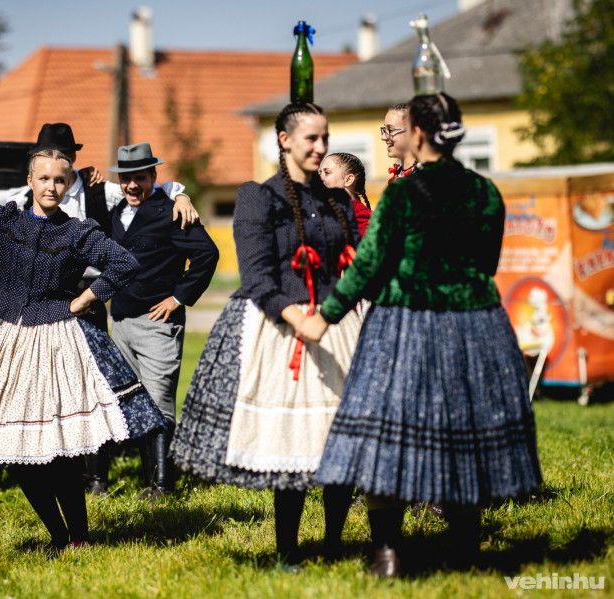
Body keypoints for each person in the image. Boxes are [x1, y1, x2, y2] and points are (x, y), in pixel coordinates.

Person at [309, 93, 542, 577]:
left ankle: (388, 554)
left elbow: (368, 265)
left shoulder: (403, 194)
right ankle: (464, 552)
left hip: (405, 323)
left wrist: (327, 313)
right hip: (478, 324)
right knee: (465, 432)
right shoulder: (486, 191)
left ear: (417, 134)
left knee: (383, 435)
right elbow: (488, 262)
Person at [0, 135, 167, 552]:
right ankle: (58, 536)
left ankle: (78, 538)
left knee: (61, 452)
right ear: (30, 180)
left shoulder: (78, 232)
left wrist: (86, 297)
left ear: (67, 185)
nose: (50, 187)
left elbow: (125, 262)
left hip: (61, 342)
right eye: (43, 178)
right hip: (12, 342)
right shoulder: (3, 219)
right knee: (16, 452)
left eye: (59, 181)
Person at [171, 102, 361, 566]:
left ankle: (335, 542)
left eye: (325, 138)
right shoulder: (259, 197)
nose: (320, 147)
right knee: (292, 441)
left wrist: (334, 314)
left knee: (338, 439)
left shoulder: (337, 201)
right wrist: (300, 320)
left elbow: (352, 265)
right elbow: (257, 278)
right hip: (283, 328)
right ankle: (289, 551)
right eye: (311, 139)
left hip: (337, 325)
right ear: (284, 140)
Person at [0, 123, 199, 332]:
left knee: (92, 361)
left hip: (89, 294)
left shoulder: (99, 191)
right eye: (45, 156)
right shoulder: (26, 197)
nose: (52, 161)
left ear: (72, 157)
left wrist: (180, 195)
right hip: (44, 300)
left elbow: (140, 188)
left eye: (60, 155)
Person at [105, 142, 219, 501]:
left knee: (158, 401)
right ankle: (148, 481)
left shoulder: (171, 211)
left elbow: (207, 254)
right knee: (135, 402)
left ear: (155, 177)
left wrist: (178, 298)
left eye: (140, 178)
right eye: (127, 179)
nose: (133, 186)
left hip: (157, 323)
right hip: (120, 321)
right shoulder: (115, 212)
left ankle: (163, 486)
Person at [319, 152, 372, 237]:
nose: (320, 178)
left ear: (348, 180)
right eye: (320, 173)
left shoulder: (367, 223)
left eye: (327, 172)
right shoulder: (320, 214)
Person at [382, 103, 419, 183]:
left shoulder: (428, 177)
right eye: (384, 130)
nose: (383, 137)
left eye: (390, 130)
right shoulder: (397, 176)